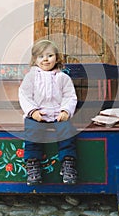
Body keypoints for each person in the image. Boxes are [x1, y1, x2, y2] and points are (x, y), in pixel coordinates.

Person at [19, 39, 78, 186]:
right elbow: (24, 95)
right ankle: (33, 165)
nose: (45, 59)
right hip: (39, 114)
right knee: (32, 131)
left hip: (58, 113)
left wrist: (65, 110)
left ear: (57, 58)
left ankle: (68, 164)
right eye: (41, 56)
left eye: (50, 55)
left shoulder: (63, 78)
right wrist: (33, 112)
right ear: (35, 60)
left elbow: (70, 96)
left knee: (67, 131)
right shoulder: (31, 77)